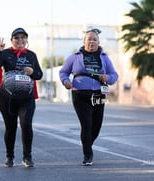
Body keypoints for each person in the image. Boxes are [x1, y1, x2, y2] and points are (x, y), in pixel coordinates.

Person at [59, 27, 118, 166]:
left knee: (96, 125)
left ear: (98, 42)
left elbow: (114, 76)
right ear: (84, 41)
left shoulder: (104, 57)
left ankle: (87, 143)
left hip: (99, 93)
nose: (92, 41)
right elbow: (63, 72)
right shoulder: (74, 57)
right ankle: (88, 154)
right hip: (80, 94)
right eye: (89, 39)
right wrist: (66, 81)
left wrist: (107, 77)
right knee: (86, 124)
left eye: (94, 39)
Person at [0, 27, 43, 168]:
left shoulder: (31, 55)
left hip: (26, 98)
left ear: (26, 40)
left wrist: (32, 71)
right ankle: (9, 156)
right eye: (16, 38)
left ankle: (27, 157)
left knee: (26, 125)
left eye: (23, 37)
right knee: (10, 127)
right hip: (7, 98)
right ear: (11, 40)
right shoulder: (5, 54)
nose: (20, 40)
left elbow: (39, 74)